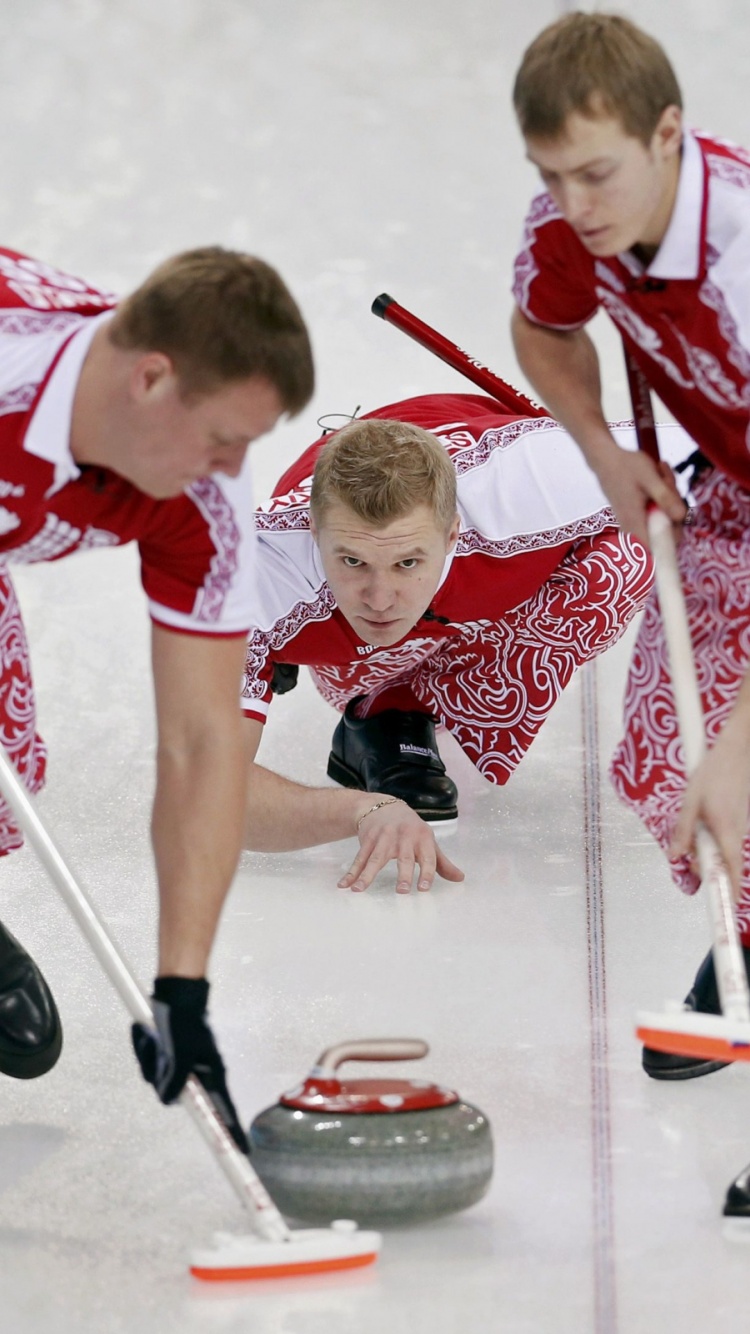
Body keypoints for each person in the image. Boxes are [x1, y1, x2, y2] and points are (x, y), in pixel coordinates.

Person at [0, 245, 314, 1145]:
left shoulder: (202, 500)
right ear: (151, 379)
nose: (231, 468)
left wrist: (184, 990)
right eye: (223, 439)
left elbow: (202, 740)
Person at [510, 10, 750, 1078]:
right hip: (734, 488)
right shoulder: (574, 217)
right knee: (666, 753)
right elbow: (544, 325)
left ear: (670, 135)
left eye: (596, 173)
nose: (574, 204)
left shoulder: (743, 259)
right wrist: (604, 448)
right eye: (551, 174)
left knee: (733, 761)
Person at [238, 389, 693, 896]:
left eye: (407, 562)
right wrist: (360, 809)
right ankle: (355, 684)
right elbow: (204, 793)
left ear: (453, 533)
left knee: (627, 558)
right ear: (314, 531)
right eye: (352, 562)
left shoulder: (534, 487)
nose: (380, 598)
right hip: (320, 620)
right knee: (293, 639)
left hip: (498, 488)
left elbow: (725, 462)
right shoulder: (252, 581)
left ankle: (403, 700)